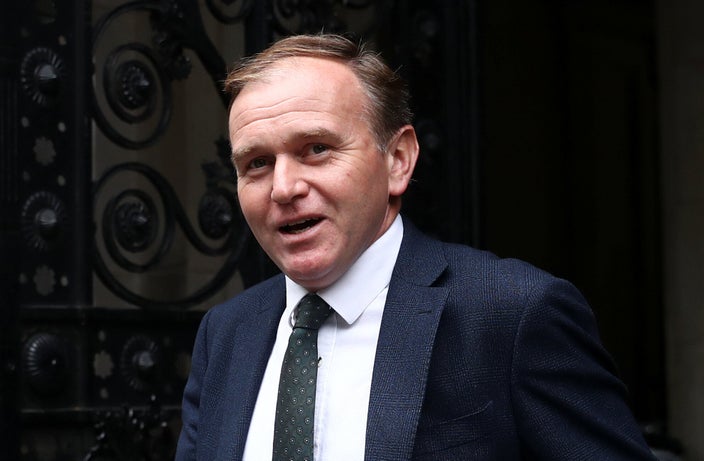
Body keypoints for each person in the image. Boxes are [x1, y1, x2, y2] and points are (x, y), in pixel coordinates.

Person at [175, 33, 656, 461]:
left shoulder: (513, 312)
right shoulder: (226, 333)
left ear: (398, 161)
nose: (283, 187)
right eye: (257, 163)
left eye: (316, 149)